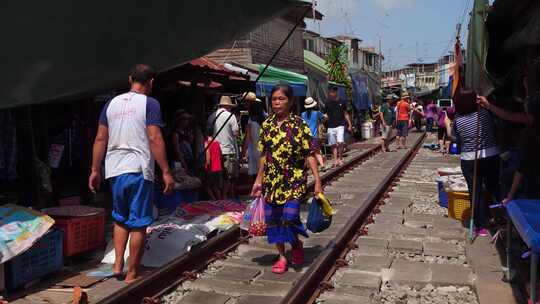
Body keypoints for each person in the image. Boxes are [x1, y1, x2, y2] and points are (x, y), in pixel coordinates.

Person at [89, 64, 174, 283]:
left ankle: (117, 265)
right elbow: (154, 137)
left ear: (130, 79)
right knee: (138, 223)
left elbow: (100, 138)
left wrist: (95, 169)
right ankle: (132, 273)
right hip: (137, 168)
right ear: (151, 82)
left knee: (120, 218)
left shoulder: (111, 103)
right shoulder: (150, 104)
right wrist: (165, 170)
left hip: (114, 170)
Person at [251, 84, 323, 274]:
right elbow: (264, 156)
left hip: (294, 181)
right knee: (274, 221)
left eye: (281, 99)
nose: (276, 102)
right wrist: (259, 180)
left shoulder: (299, 124)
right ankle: (283, 256)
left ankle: (296, 244)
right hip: (272, 182)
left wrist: (317, 180)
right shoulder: (266, 125)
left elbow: (309, 153)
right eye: (274, 99)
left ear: (290, 101)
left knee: (290, 217)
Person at [445, 89, 501, 237]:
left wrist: (447, 126)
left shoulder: (458, 120)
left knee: (475, 192)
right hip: (491, 156)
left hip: (469, 159)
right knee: (494, 186)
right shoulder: (484, 113)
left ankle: (479, 225)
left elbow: (456, 139)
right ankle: (500, 218)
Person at [207, 96, 240, 199]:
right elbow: (236, 133)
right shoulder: (231, 116)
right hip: (228, 150)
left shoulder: (211, 116)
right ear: (228, 106)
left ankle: (219, 196)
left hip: (214, 151)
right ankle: (224, 195)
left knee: (217, 176)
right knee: (228, 176)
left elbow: (208, 133)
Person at [325, 86, 352, 166]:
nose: (332, 93)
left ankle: (340, 158)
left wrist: (350, 124)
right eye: (331, 91)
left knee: (340, 142)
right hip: (330, 126)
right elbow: (326, 114)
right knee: (333, 144)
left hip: (340, 124)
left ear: (336, 92)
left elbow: (346, 114)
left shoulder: (342, 102)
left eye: (334, 91)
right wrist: (323, 119)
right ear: (329, 93)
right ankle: (335, 160)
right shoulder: (327, 103)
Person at [243, 99, 266, 179]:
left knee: (256, 174)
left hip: (254, 150)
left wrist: (244, 151)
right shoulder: (266, 119)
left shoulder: (250, 121)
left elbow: (248, 138)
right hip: (265, 150)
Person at [301, 97, 326, 169]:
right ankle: (322, 165)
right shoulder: (317, 113)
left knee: (308, 153)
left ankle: (308, 166)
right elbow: (324, 118)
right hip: (314, 136)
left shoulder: (303, 114)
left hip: (305, 136)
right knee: (317, 152)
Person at [204, 129, 223, 200]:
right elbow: (220, 155)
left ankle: (213, 198)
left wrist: (208, 167)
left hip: (211, 168)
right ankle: (220, 200)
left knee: (206, 186)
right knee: (216, 186)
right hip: (218, 167)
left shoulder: (207, 143)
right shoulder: (217, 143)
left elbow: (208, 158)